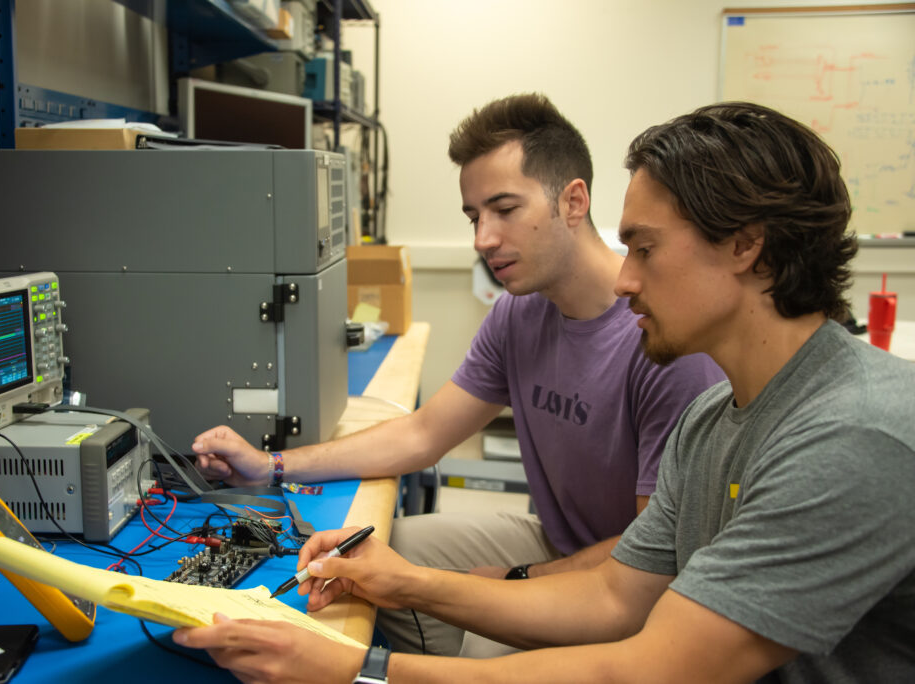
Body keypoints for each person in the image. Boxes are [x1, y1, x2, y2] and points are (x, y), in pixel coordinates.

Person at [174, 101, 915, 682]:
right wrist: (406, 583)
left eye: (647, 251)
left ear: (746, 245)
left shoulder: (851, 436)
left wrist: (362, 670)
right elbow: (612, 596)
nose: (627, 278)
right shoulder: (713, 419)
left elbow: (653, 666)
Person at [192, 93, 724, 656]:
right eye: (474, 217)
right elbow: (424, 433)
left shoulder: (664, 343)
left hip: (631, 586)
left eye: (505, 209)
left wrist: (519, 581)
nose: (482, 240)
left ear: (573, 201)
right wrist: (270, 466)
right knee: (355, 555)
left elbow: (654, 554)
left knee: (476, 648)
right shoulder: (520, 313)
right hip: (555, 538)